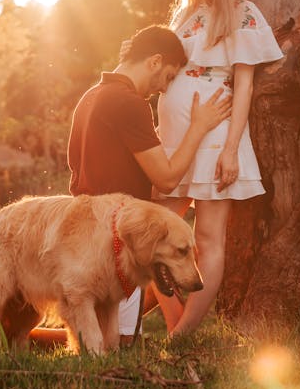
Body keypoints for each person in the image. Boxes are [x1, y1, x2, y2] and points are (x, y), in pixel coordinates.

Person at [28, 25, 231, 348]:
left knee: (100, 323)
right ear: (154, 61)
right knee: (120, 342)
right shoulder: (129, 103)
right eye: (168, 76)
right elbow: (165, 178)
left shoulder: (91, 97)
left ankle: (22, 339)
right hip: (111, 237)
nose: (164, 88)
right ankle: (24, 341)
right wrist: (199, 127)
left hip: (81, 228)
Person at [147, 0, 284, 336]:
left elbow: (244, 87)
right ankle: (174, 327)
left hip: (214, 140)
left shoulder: (242, 14)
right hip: (173, 144)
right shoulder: (186, 18)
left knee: (207, 239)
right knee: (154, 237)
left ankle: (183, 334)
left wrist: (230, 151)